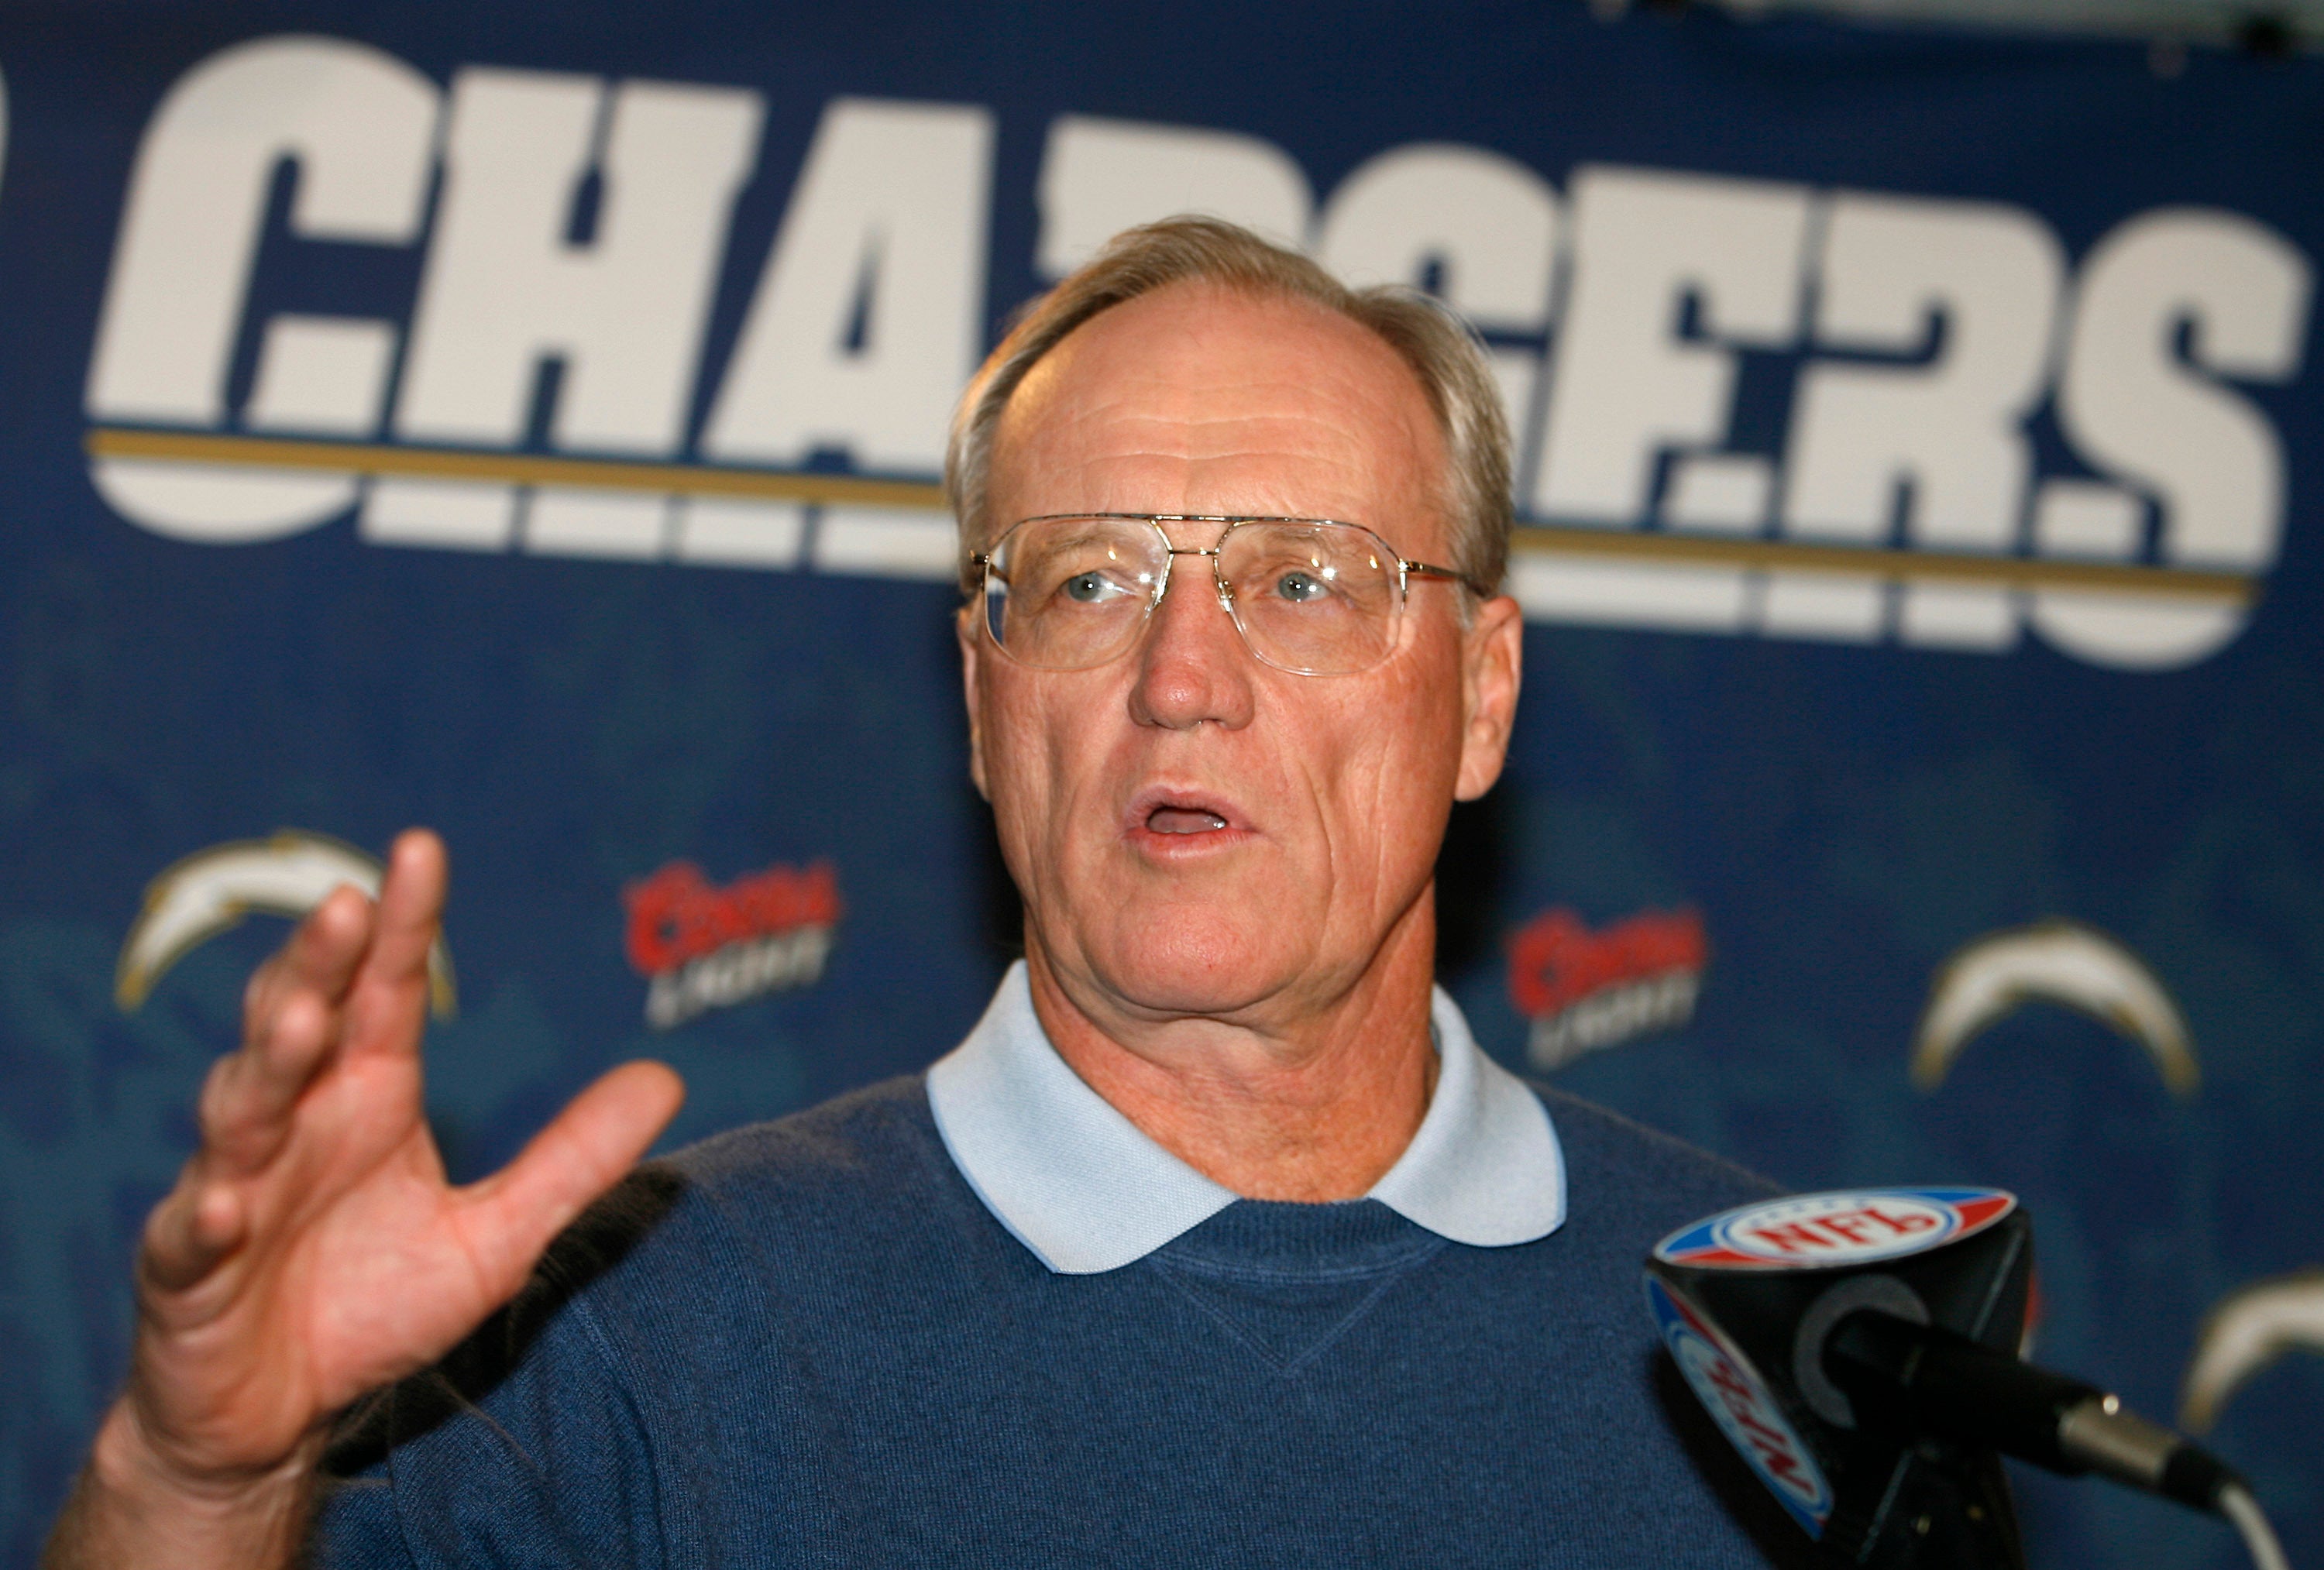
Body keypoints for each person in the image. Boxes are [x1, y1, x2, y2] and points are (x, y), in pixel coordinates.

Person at [44, 218, 1795, 1568]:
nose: (1187, 674)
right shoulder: (636, 1351)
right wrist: (193, 1478)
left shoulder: (1779, 1346)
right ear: (984, 695)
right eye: (1091, 579)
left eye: (1307, 581)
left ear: (1480, 694)